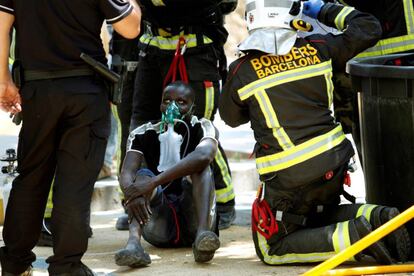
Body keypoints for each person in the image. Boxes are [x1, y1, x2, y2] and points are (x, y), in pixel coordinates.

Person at [219, 0, 411, 265]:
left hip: (290, 179)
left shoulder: (242, 70)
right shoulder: (318, 48)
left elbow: (230, 118)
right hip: (335, 164)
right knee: (317, 215)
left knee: (271, 247)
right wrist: (323, 10)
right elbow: (368, 27)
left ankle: (355, 238)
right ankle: (377, 217)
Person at [0, 1, 141, 275]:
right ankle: (67, 266)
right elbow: (130, 27)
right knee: (74, 183)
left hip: (37, 90)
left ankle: (15, 263)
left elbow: (2, 25)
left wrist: (3, 78)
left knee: (30, 178)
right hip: (84, 90)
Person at [130, 0, 237, 229]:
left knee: (200, 130)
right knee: (143, 129)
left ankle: (225, 203)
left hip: (196, 51)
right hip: (151, 53)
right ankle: (141, 202)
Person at [115, 81, 220, 267]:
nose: (172, 107)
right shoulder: (143, 132)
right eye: (167, 101)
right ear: (160, 104)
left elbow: (204, 155)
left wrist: (154, 182)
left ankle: (203, 236)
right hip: (159, 223)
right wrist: (133, 190)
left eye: (181, 102)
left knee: (201, 167)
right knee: (141, 175)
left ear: (192, 107)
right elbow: (127, 172)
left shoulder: (202, 126)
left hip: (193, 219)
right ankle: (133, 245)